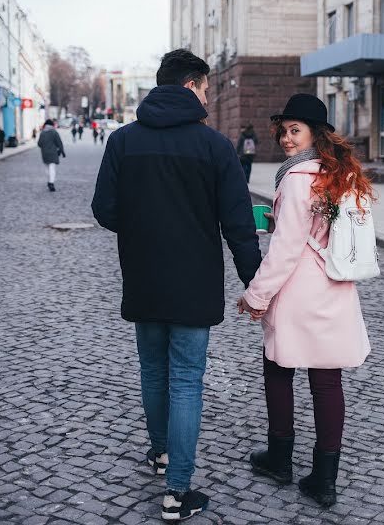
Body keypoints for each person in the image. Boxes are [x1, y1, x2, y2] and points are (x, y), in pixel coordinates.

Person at [92, 49, 261, 521]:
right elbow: (239, 225)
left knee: (152, 371)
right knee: (186, 380)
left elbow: (105, 211)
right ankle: (177, 492)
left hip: (144, 277)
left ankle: (161, 453)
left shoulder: (123, 141)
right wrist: (256, 283)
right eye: (206, 88)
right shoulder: (214, 147)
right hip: (193, 283)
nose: (208, 96)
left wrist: (145, 226)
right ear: (191, 86)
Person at [237, 93, 372, 508]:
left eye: (295, 130)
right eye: (283, 132)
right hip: (334, 289)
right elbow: (323, 229)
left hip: (299, 291)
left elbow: (287, 249)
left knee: (278, 367)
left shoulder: (297, 177)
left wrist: (256, 295)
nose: (286, 139)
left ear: (316, 134)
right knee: (327, 381)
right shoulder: (341, 173)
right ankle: (324, 478)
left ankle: (279, 457)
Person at [37, 119, 65, 192]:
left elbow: (39, 144)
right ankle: (51, 182)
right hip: (53, 153)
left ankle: (49, 180)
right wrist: (62, 151)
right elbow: (59, 142)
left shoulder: (42, 133)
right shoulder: (54, 132)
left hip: (45, 153)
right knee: (52, 168)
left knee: (47, 168)